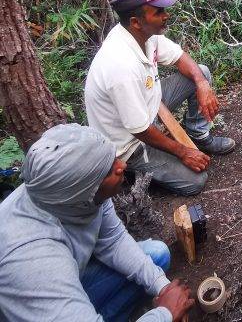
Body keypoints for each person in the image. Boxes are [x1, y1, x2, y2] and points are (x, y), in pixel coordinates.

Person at [0, 124, 195, 322]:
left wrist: (164, 288)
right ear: (81, 193)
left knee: (157, 256)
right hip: (43, 302)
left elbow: (113, 241)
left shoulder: (82, 195)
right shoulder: (32, 261)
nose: (122, 166)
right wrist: (165, 314)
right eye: (109, 170)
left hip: (73, 279)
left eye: (113, 158)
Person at [85, 0, 235, 196]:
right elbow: (139, 129)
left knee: (200, 73)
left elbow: (179, 57)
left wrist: (202, 84)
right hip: (129, 143)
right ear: (136, 21)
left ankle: (199, 135)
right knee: (196, 181)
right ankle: (130, 174)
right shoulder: (120, 66)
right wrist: (183, 152)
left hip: (147, 106)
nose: (166, 15)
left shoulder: (145, 35)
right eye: (158, 12)